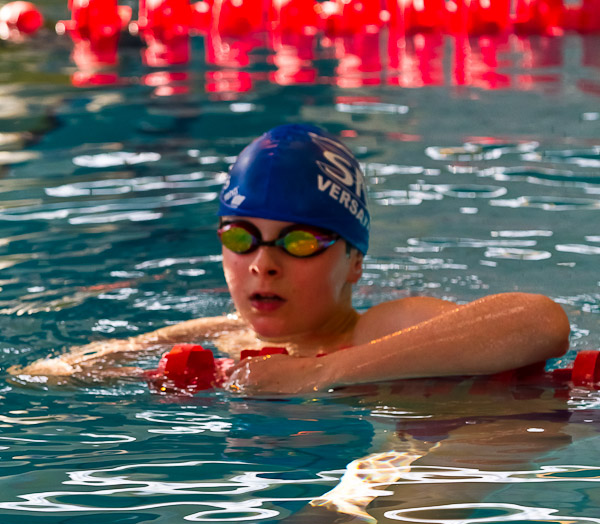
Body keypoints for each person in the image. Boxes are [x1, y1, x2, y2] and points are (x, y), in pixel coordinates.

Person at [14, 123, 570, 394]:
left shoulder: (379, 328)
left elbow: (540, 322)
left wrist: (316, 373)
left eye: (299, 241)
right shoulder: (219, 334)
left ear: (354, 262)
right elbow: (44, 374)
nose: (262, 264)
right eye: (242, 238)